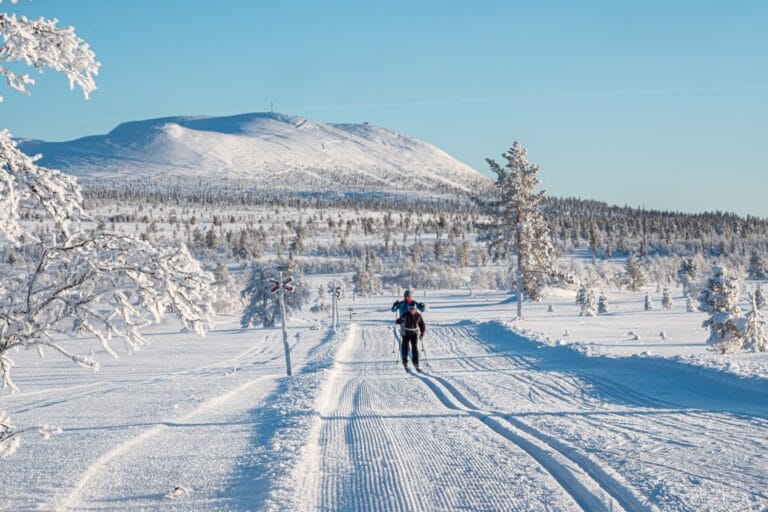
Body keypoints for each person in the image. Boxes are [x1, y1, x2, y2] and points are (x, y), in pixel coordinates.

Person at [396, 301, 425, 371]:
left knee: (414, 347)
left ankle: (416, 362)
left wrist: (422, 333)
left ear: (415, 309)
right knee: (405, 347)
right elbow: (399, 320)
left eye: (413, 309)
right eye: (410, 309)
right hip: (406, 332)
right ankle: (405, 361)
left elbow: (422, 324)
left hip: (414, 333)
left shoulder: (418, 315)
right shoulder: (405, 314)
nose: (412, 310)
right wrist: (398, 321)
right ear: (408, 309)